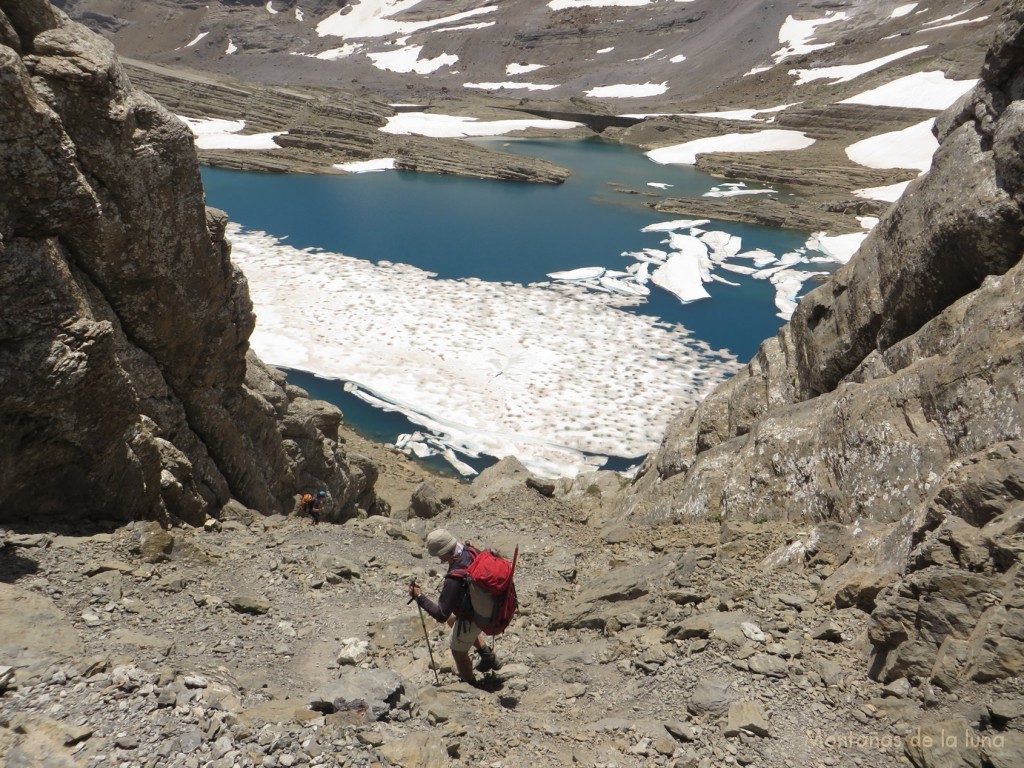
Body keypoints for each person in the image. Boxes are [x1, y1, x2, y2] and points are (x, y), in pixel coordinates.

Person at [408, 529, 502, 685]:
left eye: (438, 555)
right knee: (452, 620)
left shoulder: (454, 578)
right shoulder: (469, 549)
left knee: (457, 650)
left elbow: (441, 614)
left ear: (444, 552)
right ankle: (486, 654)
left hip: (472, 616)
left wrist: (419, 596)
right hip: (488, 606)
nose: (438, 558)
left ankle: (472, 685)